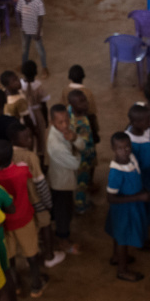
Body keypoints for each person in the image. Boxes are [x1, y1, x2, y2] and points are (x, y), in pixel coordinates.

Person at [0, 140, 47, 297]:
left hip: (3, 223)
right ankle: (36, 285)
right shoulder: (22, 169)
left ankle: (16, 285)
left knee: (9, 257)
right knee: (31, 253)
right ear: (13, 154)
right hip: (24, 219)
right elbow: (29, 176)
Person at [8, 119, 64, 268]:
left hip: (19, 201)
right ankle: (49, 256)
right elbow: (40, 182)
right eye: (25, 137)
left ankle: (33, 252)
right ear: (15, 140)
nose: (30, 139)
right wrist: (48, 203)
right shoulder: (30, 157)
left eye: (30, 136)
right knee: (45, 224)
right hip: (35, 199)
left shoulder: (7, 154)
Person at [105, 132, 150, 282]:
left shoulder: (131, 159)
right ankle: (122, 270)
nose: (125, 150)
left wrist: (145, 192)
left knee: (119, 235)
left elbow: (137, 177)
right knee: (123, 239)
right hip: (123, 210)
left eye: (127, 146)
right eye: (120, 148)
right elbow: (111, 198)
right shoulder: (116, 172)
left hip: (132, 206)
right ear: (113, 149)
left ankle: (116, 257)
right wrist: (139, 197)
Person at [47, 103, 84, 255]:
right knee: (64, 213)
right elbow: (76, 163)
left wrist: (74, 138)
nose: (65, 125)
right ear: (52, 123)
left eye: (66, 121)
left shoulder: (68, 131)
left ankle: (59, 234)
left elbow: (81, 144)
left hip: (66, 180)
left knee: (63, 210)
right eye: (60, 122)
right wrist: (76, 147)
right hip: (60, 183)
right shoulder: (55, 144)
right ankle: (63, 242)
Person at [126, 105, 150, 248]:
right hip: (143, 181)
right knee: (143, 208)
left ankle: (145, 230)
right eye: (147, 120)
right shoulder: (130, 142)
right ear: (134, 123)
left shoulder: (145, 129)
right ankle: (142, 238)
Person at [68, 89, 97, 216]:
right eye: (81, 102)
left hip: (72, 156)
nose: (86, 103)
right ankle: (81, 206)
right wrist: (91, 157)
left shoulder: (69, 111)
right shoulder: (82, 123)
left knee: (76, 181)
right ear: (73, 105)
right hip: (83, 160)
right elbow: (85, 146)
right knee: (82, 183)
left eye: (85, 99)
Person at [17, 0, 47, 72]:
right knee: (25, 49)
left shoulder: (38, 2)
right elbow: (19, 12)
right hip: (24, 29)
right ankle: (24, 65)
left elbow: (41, 18)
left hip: (35, 30)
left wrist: (38, 31)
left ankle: (44, 67)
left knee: (40, 50)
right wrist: (21, 25)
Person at [62, 65, 99, 144]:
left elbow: (63, 107)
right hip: (86, 125)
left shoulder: (65, 91)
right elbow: (91, 113)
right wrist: (95, 132)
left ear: (69, 77)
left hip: (70, 125)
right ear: (83, 77)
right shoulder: (88, 92)